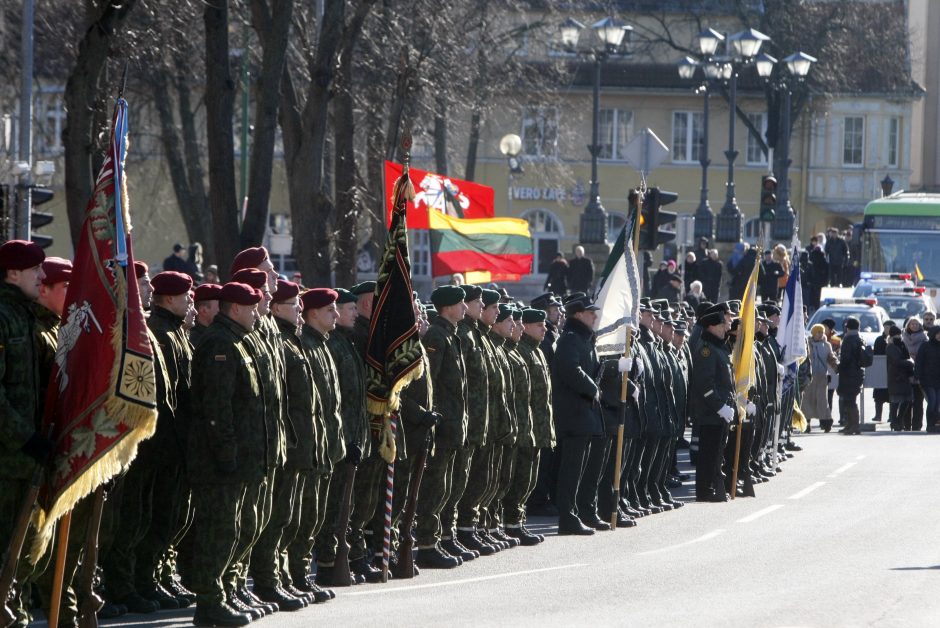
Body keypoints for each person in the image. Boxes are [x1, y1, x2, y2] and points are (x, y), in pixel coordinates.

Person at [186, 281, 264, 627]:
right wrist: (227, 453)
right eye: (251, 308)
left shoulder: (236, 341)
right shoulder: (219, 343)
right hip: (218, 460)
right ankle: (209, 603)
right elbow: (217, 408)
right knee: (217, 530)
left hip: (237, 456)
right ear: (235, 309)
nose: (256, 314)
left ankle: (223, 595)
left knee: (232, 529)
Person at [414, 286, 468, 569]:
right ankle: (426, 544)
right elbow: (430, 382)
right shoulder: (437, 334)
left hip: (452, 423)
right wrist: (436, 416)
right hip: (442, 424)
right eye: (460, 304)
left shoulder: (449, 334)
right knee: (435, 486)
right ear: (447, 308)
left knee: (445, 485)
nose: (464, 308)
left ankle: (440, 537)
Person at [551, 293, 604, 534]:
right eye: (590, 312)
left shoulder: (583, 339)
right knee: (571, 470)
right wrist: (592, 387)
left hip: (584, 415)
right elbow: (570, 368)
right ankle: (568, 517)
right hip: (573, 415)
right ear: (578, 314)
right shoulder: (571, 339)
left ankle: (581, 512)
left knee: (582, 469)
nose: (594, 316)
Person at [689, 303, 735, 502]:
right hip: (710, 412)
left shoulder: (718, 348)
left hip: (719, 411)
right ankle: (704, 490)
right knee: (708, 453)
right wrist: (719, 406)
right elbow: (705, 383)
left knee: (716, 452)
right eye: (722, 325)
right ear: (712, 327)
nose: (726, 328)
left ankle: (711, 486)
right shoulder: (706, 349)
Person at [837, 317, 869, 434]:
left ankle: (854, 425)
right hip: (859, 372)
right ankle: (851, 425)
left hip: (848, 373)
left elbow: (845, 358)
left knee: (849, 400)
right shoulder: (860, 338)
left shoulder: (848, 339)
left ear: (847, 327)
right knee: (850, 400)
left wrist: (838, 367)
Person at [805, 324, 838, 432]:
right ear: (813, 333)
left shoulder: (827, 345)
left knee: (822, 401)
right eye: (818, 332)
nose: (820, 334)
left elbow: (831, 357)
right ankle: (806, 424)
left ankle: (826, 423)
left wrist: (836, 364)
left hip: (822, 376)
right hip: (810, 376)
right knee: (808, 400)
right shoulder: (807, 344)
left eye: (822, 332)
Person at [886, 325, 915, 431]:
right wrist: (909, 362)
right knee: (895, 401)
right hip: (895, 377)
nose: (898, 337)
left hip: (905, 376)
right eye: (896, 335)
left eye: (899, 334)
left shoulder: (903, 345)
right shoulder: (890, 347)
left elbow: (907, 357)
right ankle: (894, 422)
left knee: (907, 400)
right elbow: (896, 361)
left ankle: (899, 419)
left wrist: (911, 372)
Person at [902, 317, 928, 431]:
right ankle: (906, 425)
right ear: (908, 325)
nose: (914, 326)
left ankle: (917, 425)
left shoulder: (924, 339)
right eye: (912, 324)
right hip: (905, 373)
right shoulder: (903, 339)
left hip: (919, 373)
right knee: (906, 401)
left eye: (916, 324)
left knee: (918, 401)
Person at [915, 325, 940, 432]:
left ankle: (935, 423)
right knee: (932, 401)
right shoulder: (925, 346)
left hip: (938, 380)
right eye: (938, 333)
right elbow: (919, 362)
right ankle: (930, 423)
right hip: (928, 379)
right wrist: (918, 376)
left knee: (937, 402)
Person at [872, 321, 895, 422]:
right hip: (880, 370)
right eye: (886, 327)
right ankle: (878, 415)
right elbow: (876, 353)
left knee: (892, 395)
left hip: (892, 370)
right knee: (878, 395)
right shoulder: (879, 339)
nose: (887, 329)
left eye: (889, 327)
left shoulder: (897, 340)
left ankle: (892, 416)